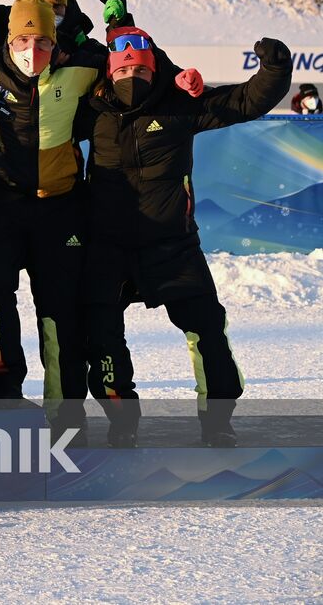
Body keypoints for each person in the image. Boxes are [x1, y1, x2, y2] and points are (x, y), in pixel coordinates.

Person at [81, 30, 292, 447]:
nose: (132, 75)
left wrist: (276, 67)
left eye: (140, 68)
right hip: (108, 246)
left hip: (172, 243)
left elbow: (243, 102)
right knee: (101, 335)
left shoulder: (179, 105)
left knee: (207, 330)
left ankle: (218, 422)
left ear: (155, 67)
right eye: (123, 69)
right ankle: (122, 420)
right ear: (109, 71)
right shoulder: (88, 110)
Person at [0, 0, 102, 420]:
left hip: (59, 210)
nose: (31, 51)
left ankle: (65, 411)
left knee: (60, 315)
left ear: (54, 43)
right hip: (1, 205)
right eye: (22, 40)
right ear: (8, 39)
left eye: (41, 41)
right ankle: (5, 394)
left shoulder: (82, 67)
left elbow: (134, 65)